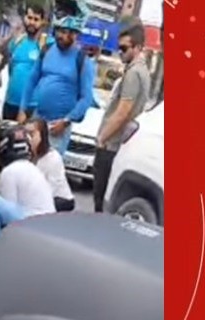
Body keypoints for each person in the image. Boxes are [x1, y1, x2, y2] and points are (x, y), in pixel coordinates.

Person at [18, 14, 95, 156]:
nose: (64, 36)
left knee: (49, 166)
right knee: (28, 160)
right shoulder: (47, 50)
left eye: (70, 33)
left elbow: (86, 98)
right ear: (56, 31)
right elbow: (32, 80)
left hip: (59, 125)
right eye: (62, 31)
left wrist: (66, 121)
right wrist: (22, 109)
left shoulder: (82, 59)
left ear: (76, 35)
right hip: (38, 119)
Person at [93, 24, 151, 212]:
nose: (120, 52)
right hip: (121, 144)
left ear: (138, 48)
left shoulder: (134, 73)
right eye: (119, 47)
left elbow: (122, 111)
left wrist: (103, 137)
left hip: (112, 144)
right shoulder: (141, 71)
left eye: (125, 48)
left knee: (100, 199)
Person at [0, 124, 56, 243]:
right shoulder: (31, 168)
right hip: (44, 225)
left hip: (31, 225)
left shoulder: (10, 171)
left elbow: (5, 214)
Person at [2, 3, 51, 121]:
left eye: (36, 19)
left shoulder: (47, 44)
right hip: (10, 103)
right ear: (24, 18)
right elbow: (10, 69)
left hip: (31, 107)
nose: (32, 22)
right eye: (29, 18)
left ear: (42, 22)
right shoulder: (17, 42)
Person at [26, 118, 75, 212]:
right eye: (26, 134)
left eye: (32, 134)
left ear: (42, 135)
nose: (28, 138)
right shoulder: (27, 155)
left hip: (59, 199)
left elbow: (50, 189)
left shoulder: (52, 158)